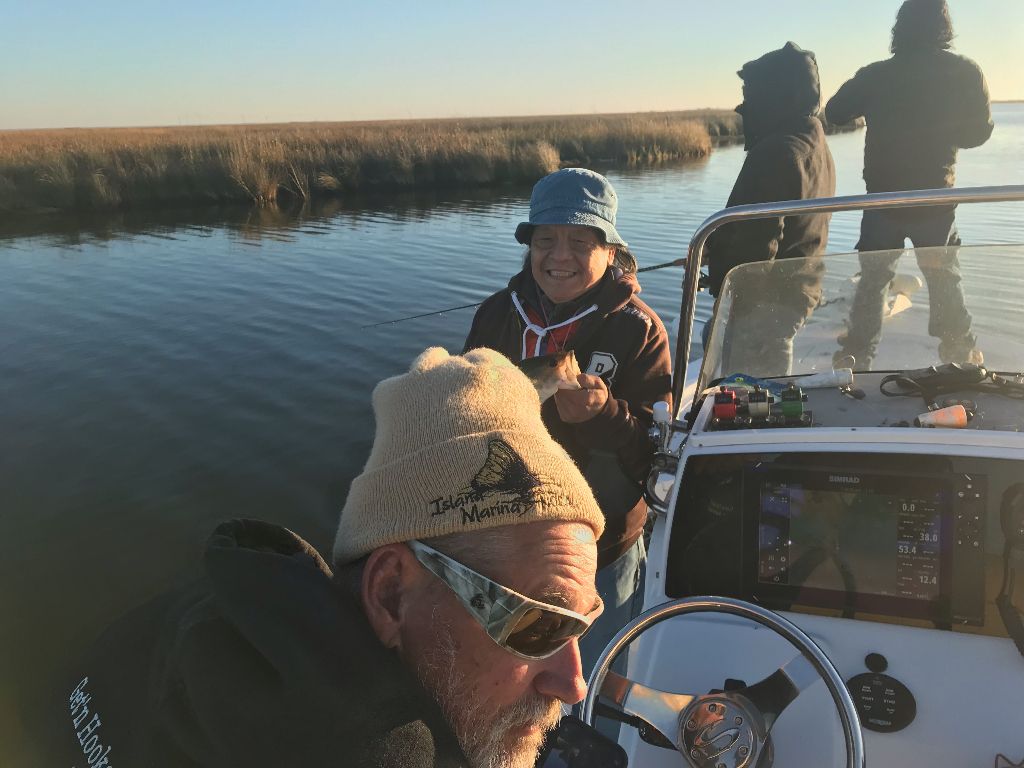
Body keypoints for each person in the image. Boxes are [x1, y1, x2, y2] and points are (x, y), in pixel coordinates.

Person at [46, 347, 606, 768]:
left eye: (584, 625)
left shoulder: (232, 603)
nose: (574, 682)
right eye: (537, 624)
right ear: (389, 593)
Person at [463, 167, 672, 677]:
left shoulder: (640, 332)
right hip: (507, 533)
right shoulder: (497, 314)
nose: (559, 256)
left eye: (580, 241)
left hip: (600, 548)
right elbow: (463, 406)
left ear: (610, 251)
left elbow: (657, 456)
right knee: (508, 666)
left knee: (596, 672)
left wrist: (604, 415)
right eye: (545, 240)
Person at [827, 0, 993, 368]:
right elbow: (980, 131)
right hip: (935, 201)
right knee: (944, 279)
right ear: (945, 27)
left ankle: (854, 362)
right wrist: (944, 132)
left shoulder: (876, 75)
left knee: (872, 282)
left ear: (898, 29)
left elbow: (835, 112)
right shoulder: (965, 72)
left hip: (883, 202)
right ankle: (960, 357)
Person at [704, 42, 837, 377]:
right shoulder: (814, 138)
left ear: (776, 95)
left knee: (755, 396)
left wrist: (727, 289)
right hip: (799, 288)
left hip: (766, 302)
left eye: (751, 94)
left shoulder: (776, 152)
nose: (745, 105)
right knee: (725, 346)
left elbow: (757, 242)